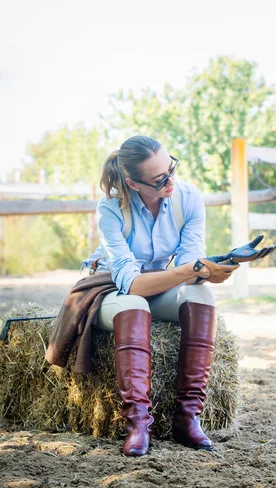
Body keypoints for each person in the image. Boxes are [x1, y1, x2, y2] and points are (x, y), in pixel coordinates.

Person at [82, 135, 239, 457]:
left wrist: (208, 270)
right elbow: (131, 283)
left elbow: (187, 261)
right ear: (133, 183)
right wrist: (189, 271)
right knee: (135, 302)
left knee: (201, 294)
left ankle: (188, 417)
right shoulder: (110, 209)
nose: (171, 181)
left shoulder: (189, 197)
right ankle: (138, 424)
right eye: (159, 179)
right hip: (110, 287)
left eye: (171, 169)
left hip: (157, 281)